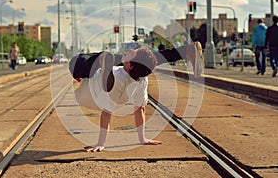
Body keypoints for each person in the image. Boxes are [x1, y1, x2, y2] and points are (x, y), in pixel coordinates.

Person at [69, 42, 204, 152]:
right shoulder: (142, 78)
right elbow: (140, 109)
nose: (130, 50)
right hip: (107, 80)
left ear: (130, 65)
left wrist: (101, 143)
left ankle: (101, 65)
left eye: (133, 51)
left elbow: (106, 113)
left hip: (94, 79)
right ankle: (187, 50)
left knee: (76, 63)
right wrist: (142, 138)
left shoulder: (121, 74)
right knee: (148, 59)